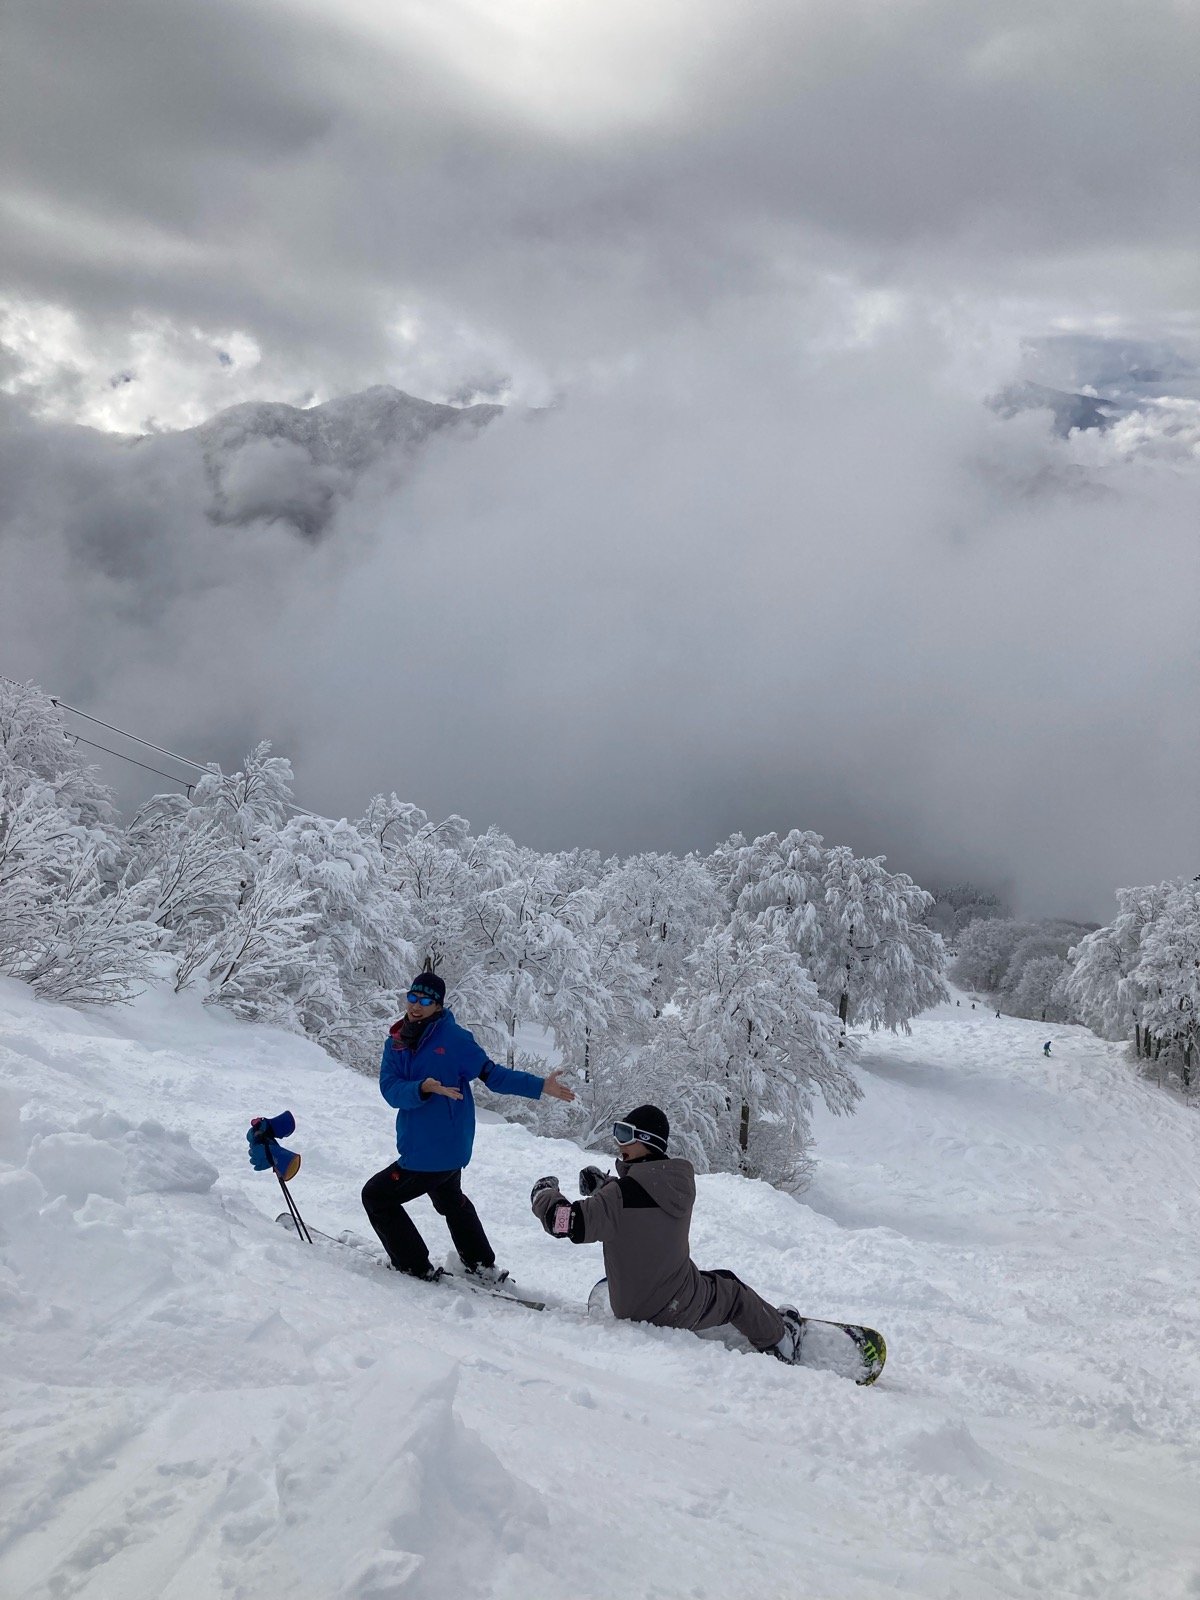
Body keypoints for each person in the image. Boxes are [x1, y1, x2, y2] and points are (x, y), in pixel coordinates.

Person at [529, 1103, 802, 1363]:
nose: (617, 1142)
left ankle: (783, 1346)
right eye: (617, 1132)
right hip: (678, 1301)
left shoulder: (618, 1198)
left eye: (624, 1135)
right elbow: (640, 1202)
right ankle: (779, 1335)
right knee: (731, 1289)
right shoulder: (676, 1186)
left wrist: (544, 1192)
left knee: (726, 1287)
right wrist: (605, 1187)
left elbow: (563, 1222)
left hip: (635, 1305)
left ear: (646, 1140)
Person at [362, 972, 575, 1283]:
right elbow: (389, 1089)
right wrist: (422, 1088)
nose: (417, 1006)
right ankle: (480, 1263)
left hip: (433, 1151)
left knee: (376, 1197)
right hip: (433, 1147)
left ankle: (413, 1265)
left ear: (438, 1005)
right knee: (450, 1200)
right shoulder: (395, 1044)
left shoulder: (454, 1040)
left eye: (426, 1001)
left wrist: (540, 1085)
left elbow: (493, 1075)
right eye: (413, 998)